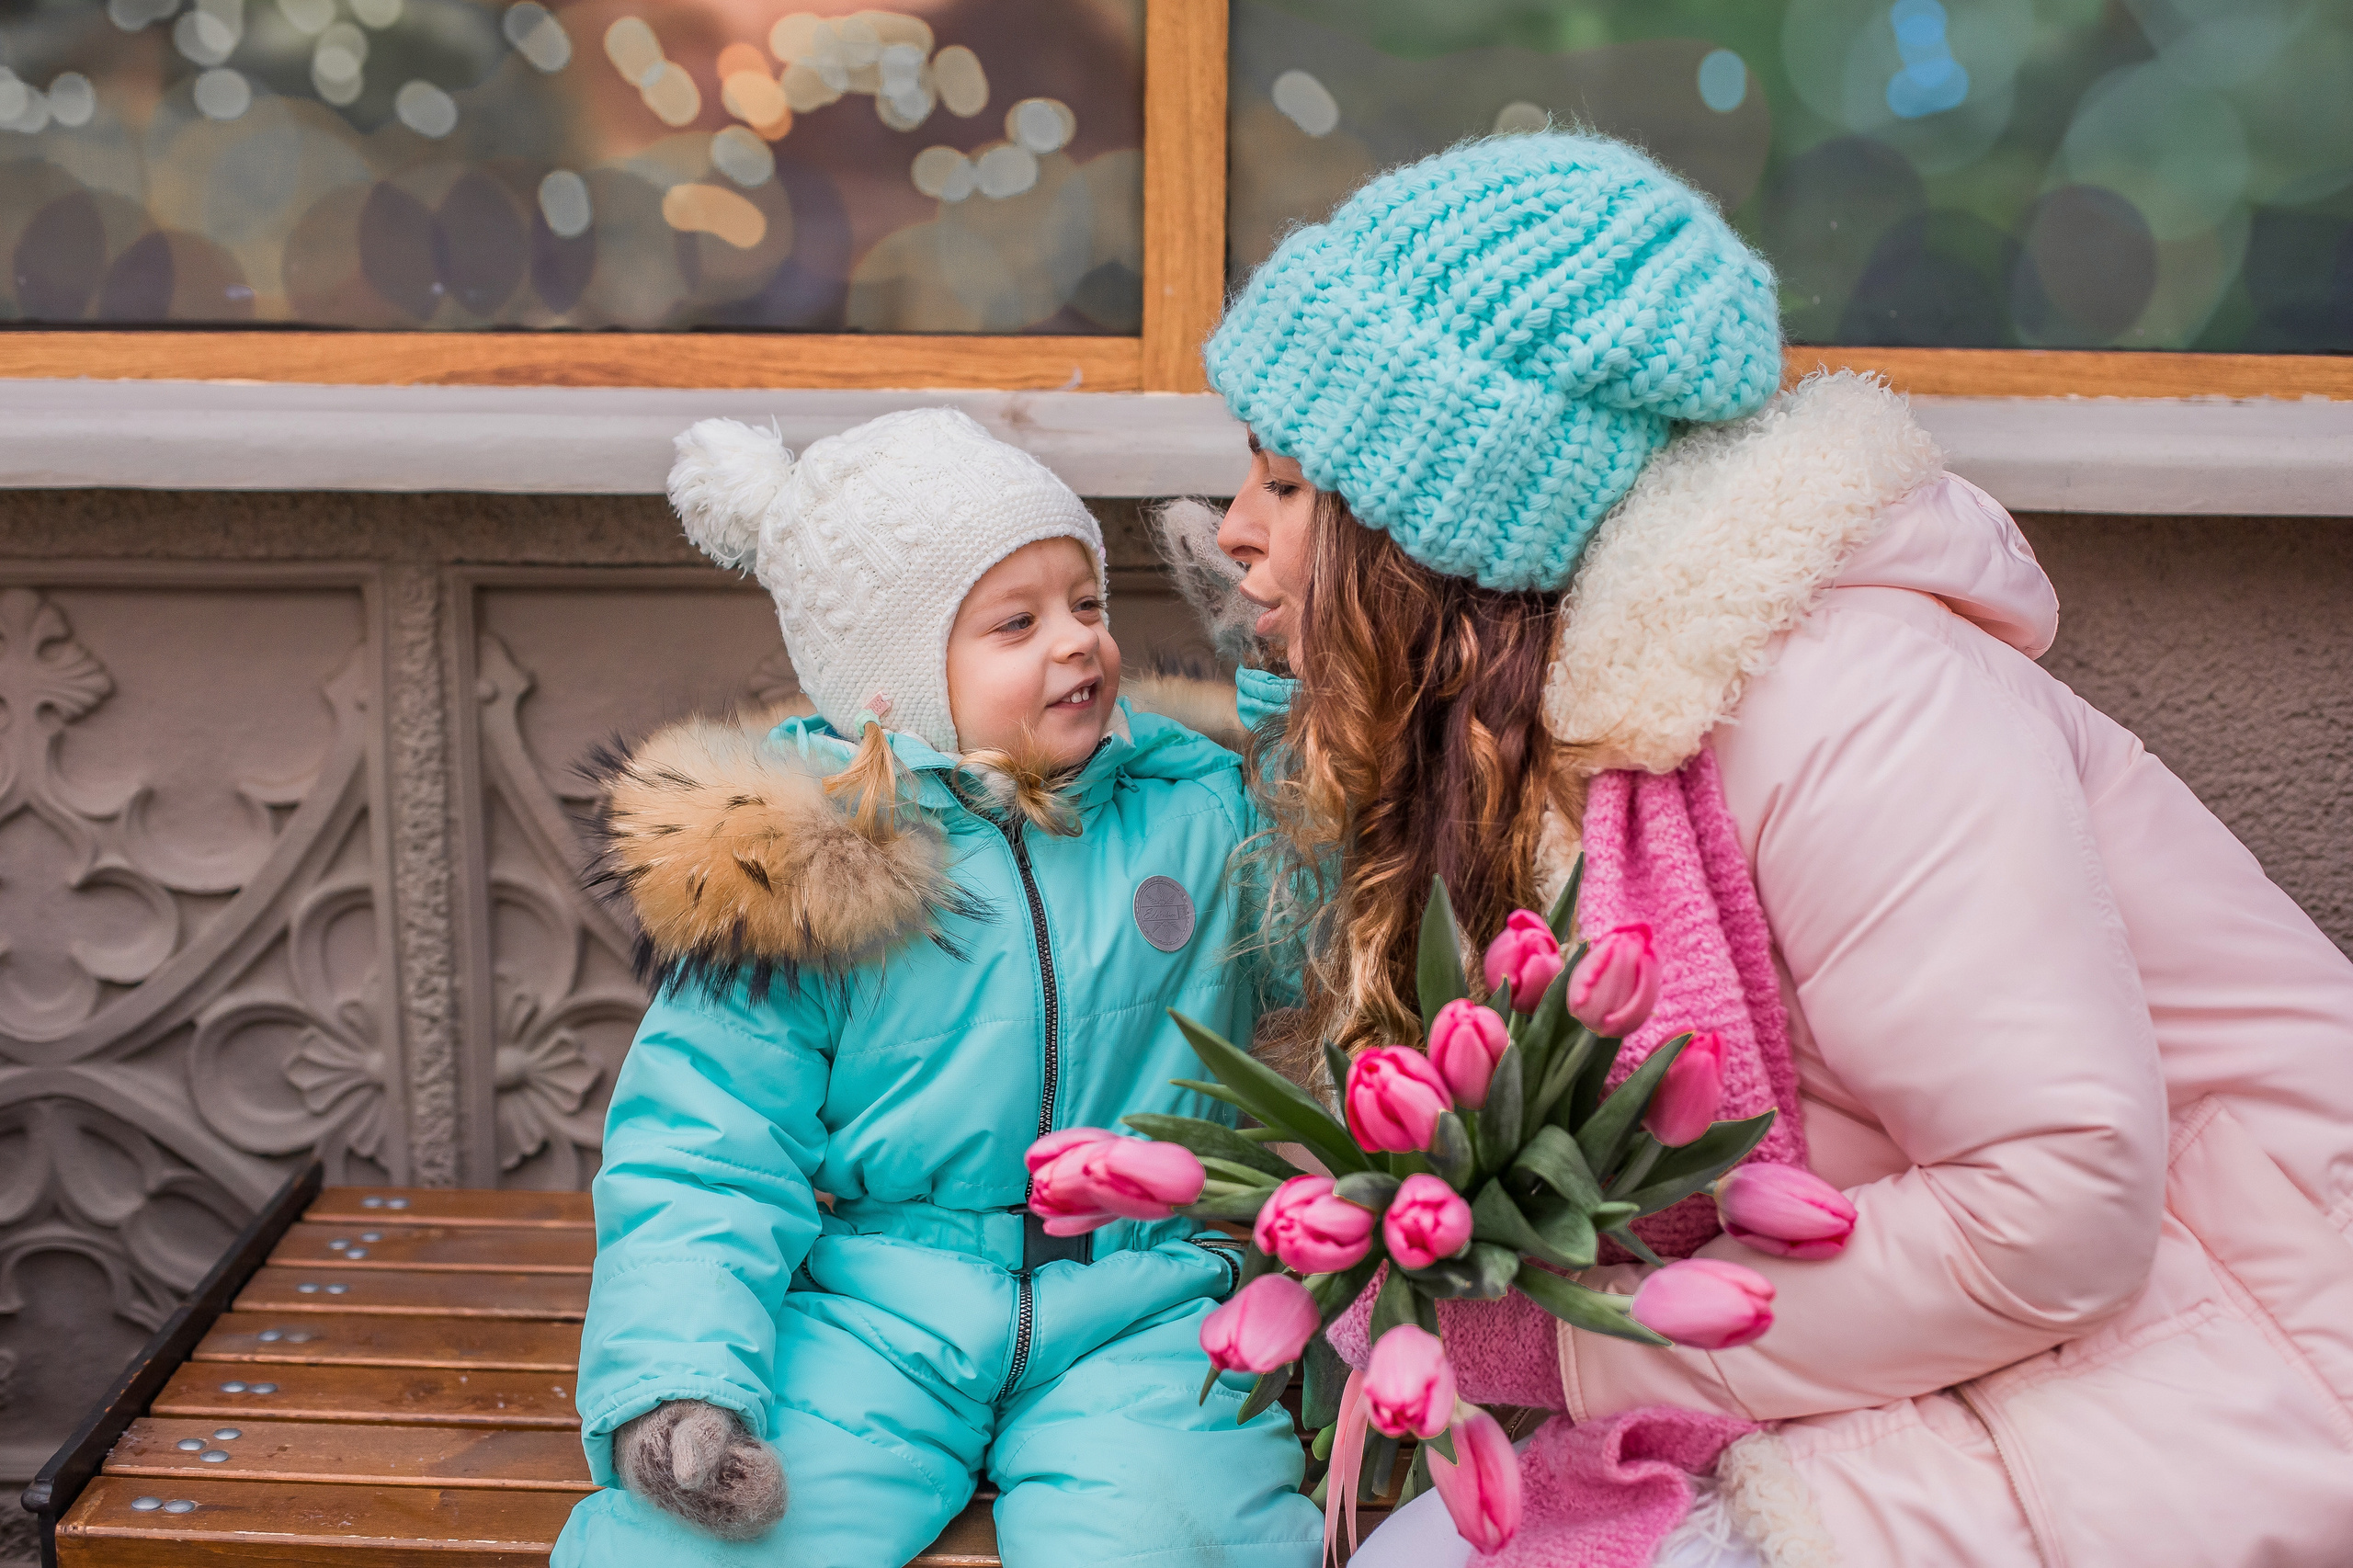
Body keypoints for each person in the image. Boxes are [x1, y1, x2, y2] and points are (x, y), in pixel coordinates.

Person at [1186, 131, 2353, 1567]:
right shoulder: (1553, 744)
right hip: (1975, 1350)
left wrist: (1579, 1341)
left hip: (2238, 1344)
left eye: (1289, 484)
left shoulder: (1852, 702)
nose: (1233, 532)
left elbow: (2059, 1202)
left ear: (1450, 517)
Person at [554, 408, 1323, 1567]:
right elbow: (704, 1145)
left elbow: (1330, 949)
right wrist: (678, 1381)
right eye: (1017, 621)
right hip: (877, 1309)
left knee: (1176, 1533)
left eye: (1087, 603)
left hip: (1148, 1307)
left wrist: (1295, 714)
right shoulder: (807, 869)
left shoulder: (1204, 811)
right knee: (705, 1544)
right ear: (894, 684)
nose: (1076, 641)